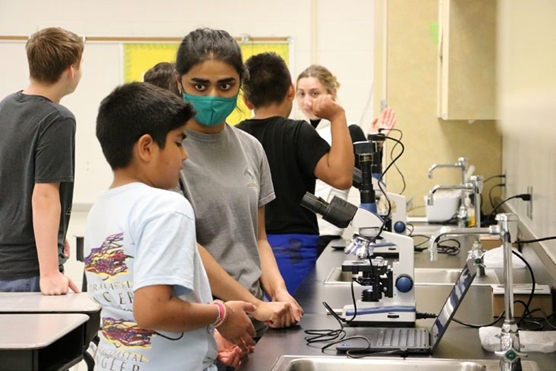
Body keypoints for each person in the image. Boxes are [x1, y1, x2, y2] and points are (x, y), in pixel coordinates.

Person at [85, 82, 257, 370]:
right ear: (146, 148)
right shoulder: (166, 207)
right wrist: (221, 314)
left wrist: (208, 333)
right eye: (179, 142)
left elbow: (129, 312)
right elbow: (152, 311)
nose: (185, 155)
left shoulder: (101, 208)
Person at [175, 28, 303, 341]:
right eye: (200, 86)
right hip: (206, 324)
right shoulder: (168, 151)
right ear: (180, 82)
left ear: (240, 85)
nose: (213, 97)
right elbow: (186, 247)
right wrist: (256, 305)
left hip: (254, 321)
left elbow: (258, 239)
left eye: (225, 85)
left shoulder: (251, 148)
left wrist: (279, 293)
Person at [236, 52, 353, 294]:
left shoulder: (234, 137)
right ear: (291, 91)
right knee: (296, 323)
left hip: (244, 250)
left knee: (253, 326)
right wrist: (337, 117)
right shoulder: (298, 133)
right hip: (294, 248)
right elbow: (341, 177)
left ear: (247, 101)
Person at [0, 27, 84, 295]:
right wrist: (49, 270)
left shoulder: (6, 107)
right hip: (28, 272)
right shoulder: (58, 119)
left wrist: (55, 238)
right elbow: (44, 196)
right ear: (71, 70)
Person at [296, 64, 397, 257]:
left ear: (331, 93)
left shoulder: (348, 132)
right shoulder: (296, 130)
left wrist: (376, 146)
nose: (307, 101)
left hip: (325, 234)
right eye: (301, 94)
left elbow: (373, 186)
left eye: (315, 93)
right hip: (296, 232)